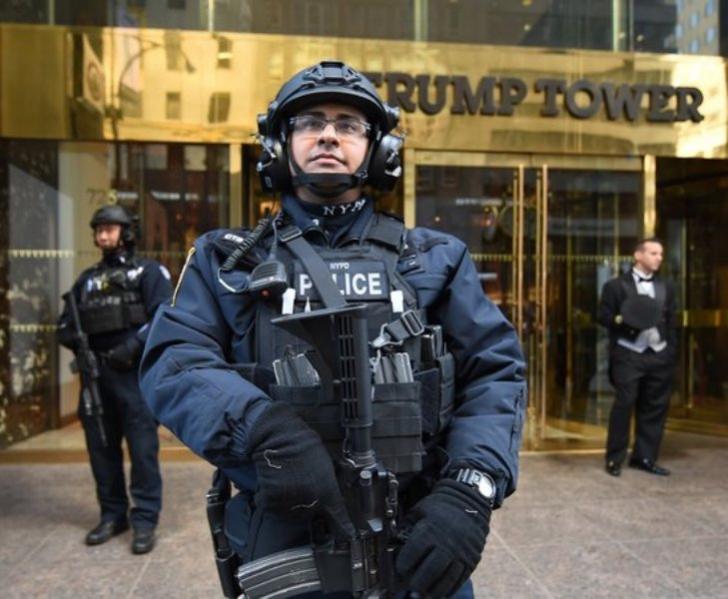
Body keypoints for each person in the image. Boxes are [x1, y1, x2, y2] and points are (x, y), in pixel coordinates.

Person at [140, 60, 526, 597]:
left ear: (379, 150)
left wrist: (471, 488)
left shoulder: (434, 258)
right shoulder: (226, 262)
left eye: (348, 124)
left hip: (420, 529)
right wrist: (260, 428)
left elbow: (497, 371)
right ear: (279, 145)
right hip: (284, 529)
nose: (328, 134)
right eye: (309, 122)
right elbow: (174, 361)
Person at [58, 204, 172, 554]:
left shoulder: (148, 272)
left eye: (110, 228)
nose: (103, 235)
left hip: (133, 377)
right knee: (101, 450)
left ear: (127, 232)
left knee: (142, 452)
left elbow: (165, 316)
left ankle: (144, 520)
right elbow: (65, 325)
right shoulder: (86, 280)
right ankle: (112, 515)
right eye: (99, 229)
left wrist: (133, 346)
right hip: (97, 379)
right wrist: (74, 342)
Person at [598, 237, 677, 477]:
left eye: (661, 254)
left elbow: (672, 320)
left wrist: (669, 350)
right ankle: (615, 458)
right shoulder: (615, 286)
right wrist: (628, 322)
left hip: (658, 354)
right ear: (638, 255)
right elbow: (604, 317)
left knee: (655, 407)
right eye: (653, 253)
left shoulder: (666, 286)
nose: (659, 258)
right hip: (629, 353)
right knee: (625, 403)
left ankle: (644, 457)